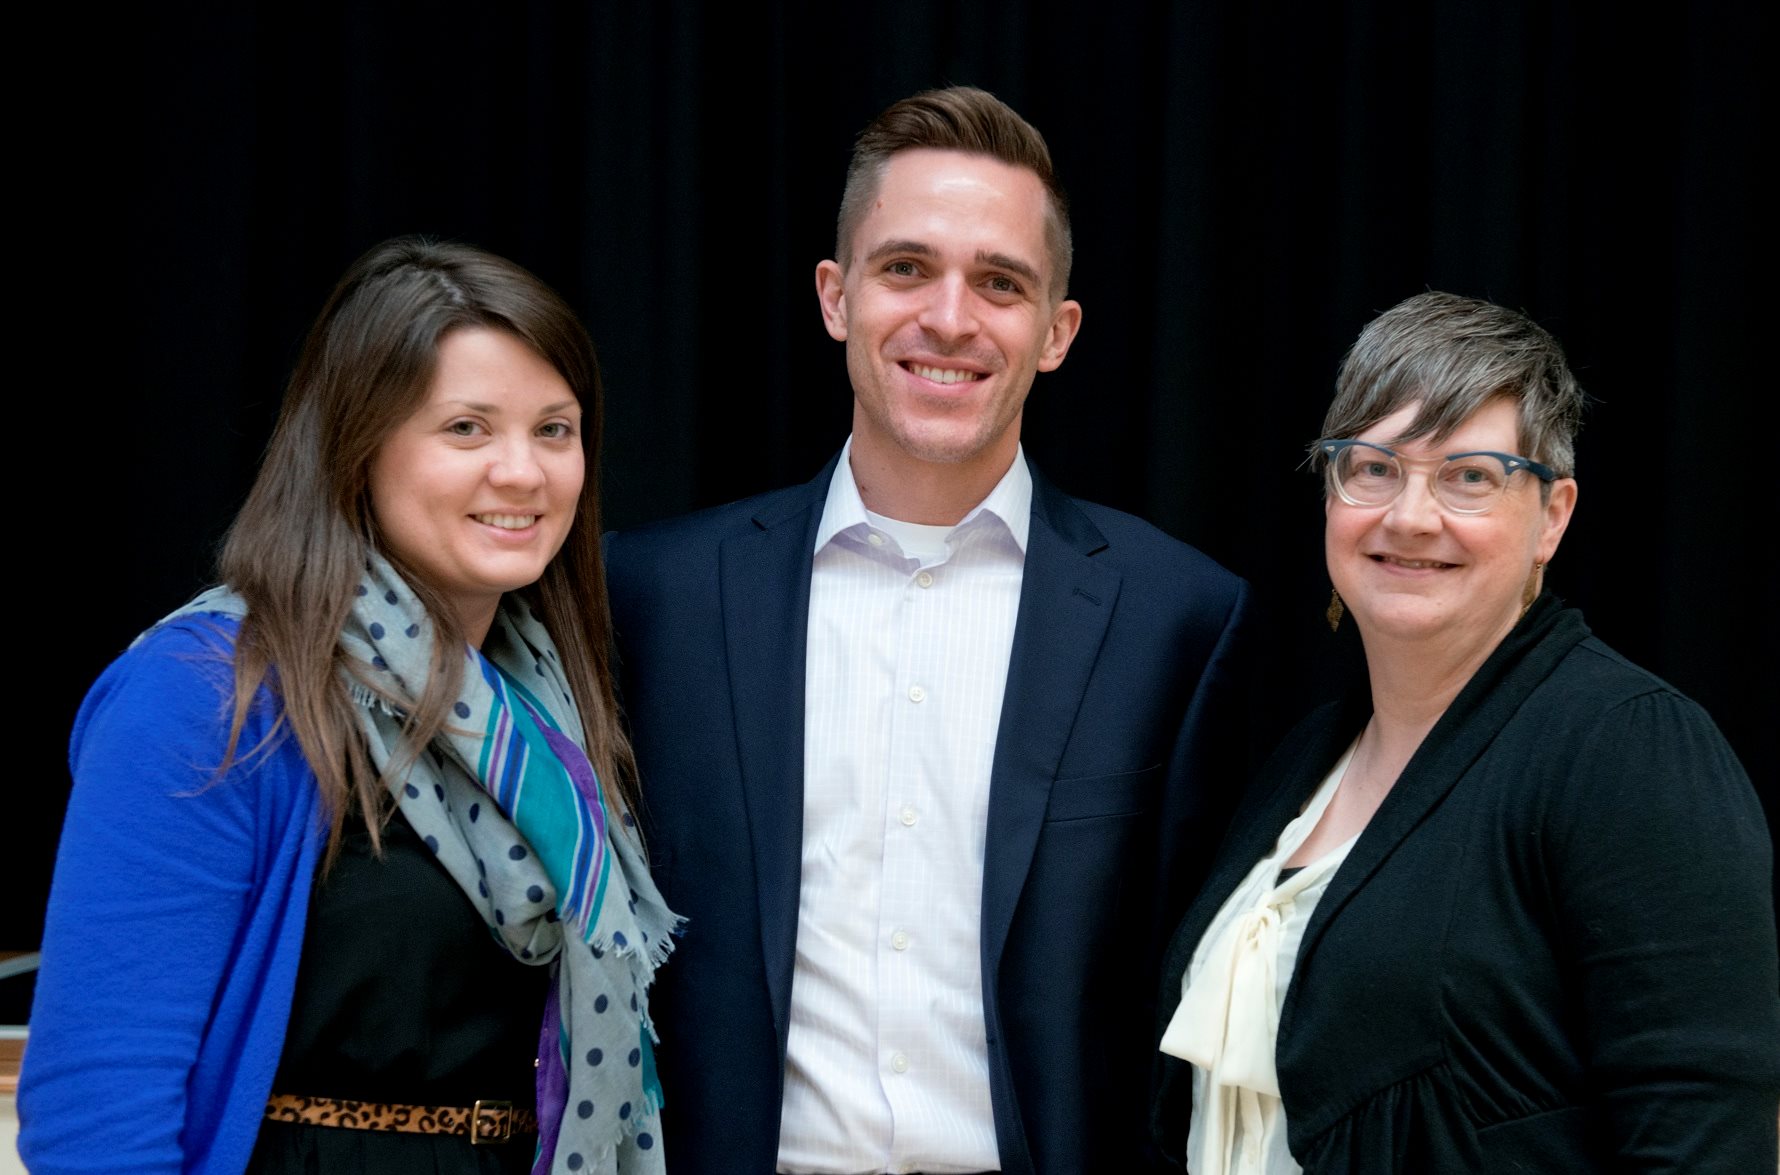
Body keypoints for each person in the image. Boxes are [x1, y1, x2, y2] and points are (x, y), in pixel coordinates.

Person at [603, 86, 1252, 1175]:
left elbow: (1185, 1001)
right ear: (835, 295)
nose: (949, 318)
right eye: (906, 268)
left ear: (1056, 332)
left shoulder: (1175, 614)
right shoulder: (656, 594)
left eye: (999, 283)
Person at [20, 237, 679, 1175]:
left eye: (554, 429)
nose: (523, 472)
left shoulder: (545, 703)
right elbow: (97, 1106)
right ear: (357, 444)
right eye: (466, 428)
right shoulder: (208, 690)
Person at [1152, 291, 1780, 1173]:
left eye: (1469, 475)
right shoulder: (1305, 760)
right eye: (1373, 467)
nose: (1409, 515)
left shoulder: (1627, 749)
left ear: (1552, 516)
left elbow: (1703, 1142)